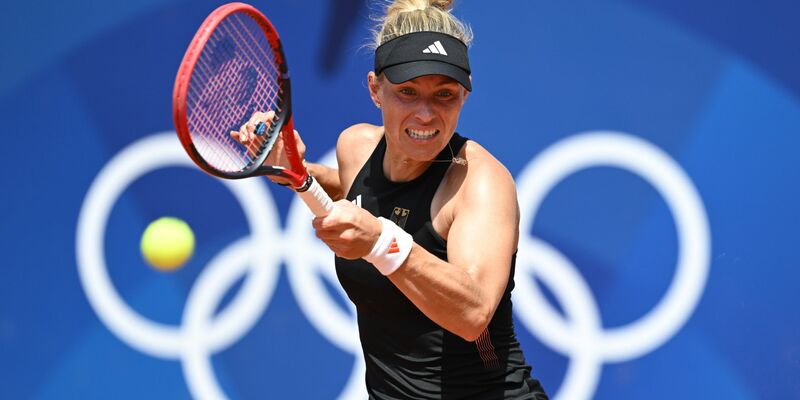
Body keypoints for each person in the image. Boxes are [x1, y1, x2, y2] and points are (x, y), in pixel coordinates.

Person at [233, 0, 548, 398]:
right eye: (407, 91)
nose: (425, 114)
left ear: (465, 96)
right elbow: (360, 194)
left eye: (445, 94)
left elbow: (473, 313)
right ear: (374, 89)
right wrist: (292, 168)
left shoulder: (479, 182)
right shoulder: (356, 147)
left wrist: (382, 242)